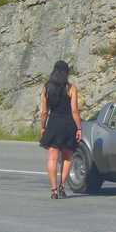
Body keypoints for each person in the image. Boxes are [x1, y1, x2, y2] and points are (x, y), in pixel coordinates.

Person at [39, 60, 82, 199]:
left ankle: (53, 190)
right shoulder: (71, 88)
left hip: (54, 123)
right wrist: (79, 127)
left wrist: (43, 127)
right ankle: (62, 186)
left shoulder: (47, 89)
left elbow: (44, 111)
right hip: (68, 124)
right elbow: (74, 110)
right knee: (67, 157)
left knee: (52, 158)